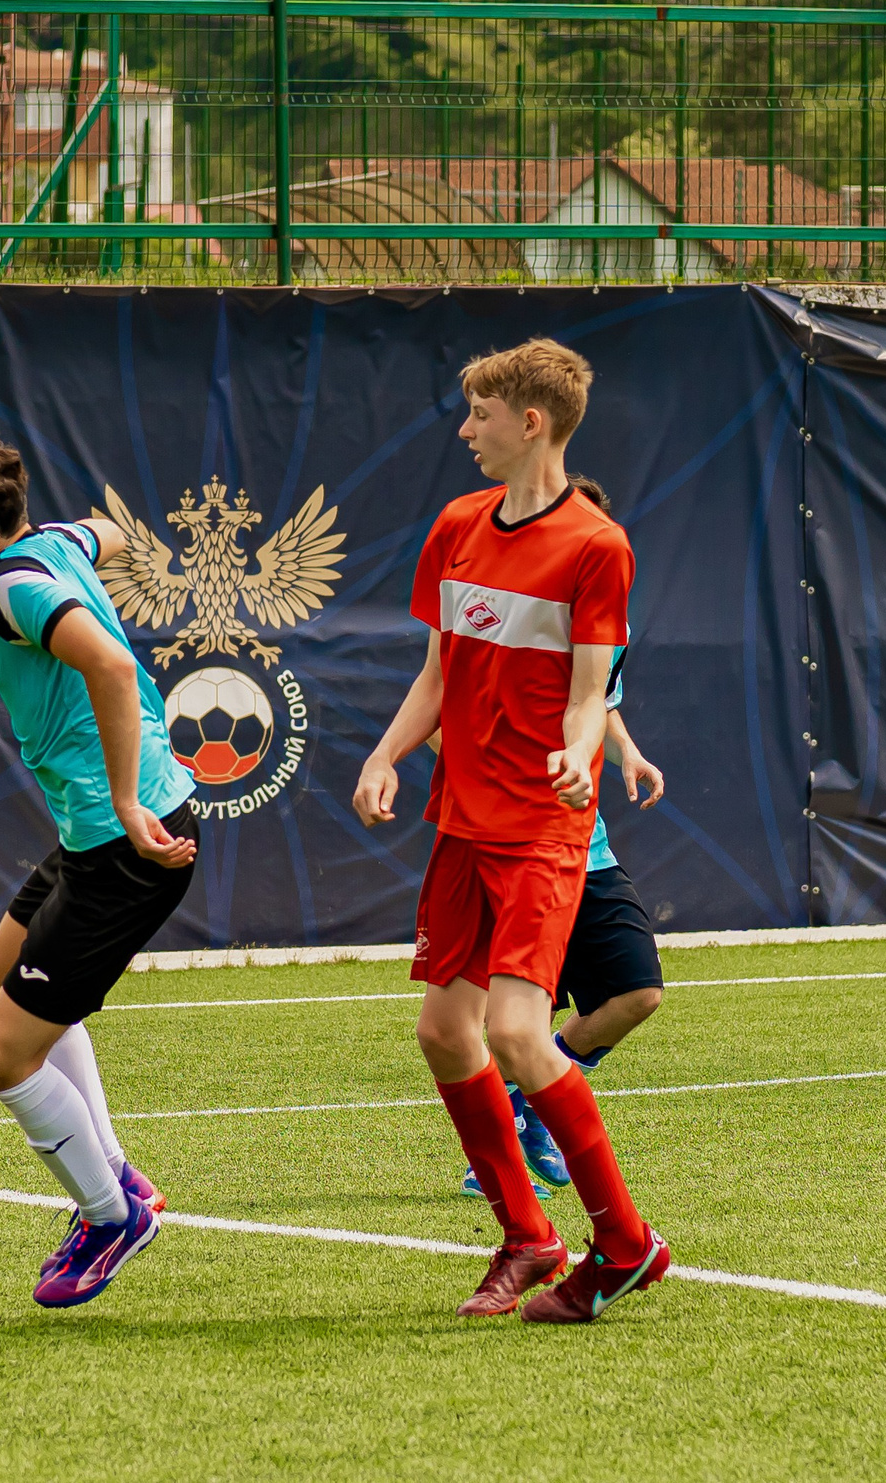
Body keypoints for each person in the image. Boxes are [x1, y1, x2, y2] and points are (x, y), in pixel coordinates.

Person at [354, 340, 668, 1325]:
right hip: (459, 820)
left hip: (541, 825)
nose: (464, 430)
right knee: (444, 1032)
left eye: (479, 414)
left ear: (530, 422)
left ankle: (623, 1246)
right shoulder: (454, 527)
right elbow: (439, 675)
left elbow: (589, 695)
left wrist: (582, 752)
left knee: (515, 1032)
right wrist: (387, 752)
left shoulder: (594, 547)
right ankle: (530, 1235)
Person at [0, 427, 197, 1309]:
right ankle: (118, 1170)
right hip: (94, 833)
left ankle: (108, 1215)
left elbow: (105, 660)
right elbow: (113, 532)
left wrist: (131, 802)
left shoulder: (9, 580)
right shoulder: (47, 549)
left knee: (1, 1057)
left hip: (123, 844)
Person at [447, 474, 668, 1201]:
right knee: (476, 1026)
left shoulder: (604, 614)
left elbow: (595, 700)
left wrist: (625, 751)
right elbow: (450, 697)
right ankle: (521, 1174)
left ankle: (529, 1109)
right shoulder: (505, 608)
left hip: (581, 842)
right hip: (516, 842)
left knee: (637, 992)